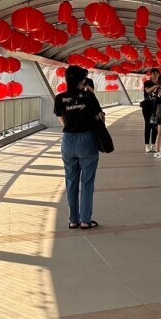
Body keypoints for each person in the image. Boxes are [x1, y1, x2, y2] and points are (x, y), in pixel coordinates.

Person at [53, 65, 104, 230]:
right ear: (82, 81)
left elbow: (63, 121)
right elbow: (100, 118)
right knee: (87, 182)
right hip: (86, 139)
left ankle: (73, 220)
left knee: (71, 181)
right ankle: (85, 220)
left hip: (68, 140)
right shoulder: (89, 97)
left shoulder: (60, 98)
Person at [141, 68, 160, 152]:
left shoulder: (160, 83)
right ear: (151, 74)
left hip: (155, 108)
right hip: (147, 107)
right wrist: (155, 86)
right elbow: (147, 90)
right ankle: (147, 145)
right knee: (148, 125)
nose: (156, 75)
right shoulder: (147, 83)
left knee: (154, 126)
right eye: (154, 73)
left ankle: (153, 144)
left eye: (157, 73)